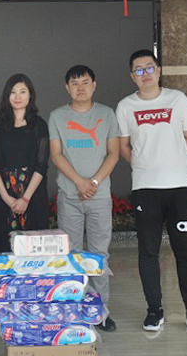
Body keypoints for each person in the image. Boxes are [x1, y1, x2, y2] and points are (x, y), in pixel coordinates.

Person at [116, 49, 187, 335]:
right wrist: (144, 166)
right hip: (145, 190)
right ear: (132, 76)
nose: (145, 73)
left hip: (179, 188)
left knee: (186, 252)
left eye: (149, 68)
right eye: (138, 70)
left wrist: (172, 162)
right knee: (148, 252)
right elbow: (123, 146)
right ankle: (154, 311)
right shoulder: (125, 106)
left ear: (158, 71)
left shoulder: (177, 99)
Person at [48, 64, 121, 333]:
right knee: (73, 255)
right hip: (69, 195)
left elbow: (113, 153)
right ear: (67, 87)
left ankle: (101, 311)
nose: (80, 87)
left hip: (99, 196)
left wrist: (94, 182)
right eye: (75, 83)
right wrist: (79, 181)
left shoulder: (107, 114)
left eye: (85, 82)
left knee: (99, 255)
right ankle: (76, 310)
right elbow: (56, 154)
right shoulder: (57, 116)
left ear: (94, 85)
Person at [0, 73, 50, 253]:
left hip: (33, 195)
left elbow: (41, 166)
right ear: (7, 95)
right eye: (13, 92)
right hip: (5, 194)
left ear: (30, 95)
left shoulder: (39, 125)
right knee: (4, 250)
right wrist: (6, 197)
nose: (17, 97)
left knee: (34, 250)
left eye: (22, 91)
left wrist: (25, 198)